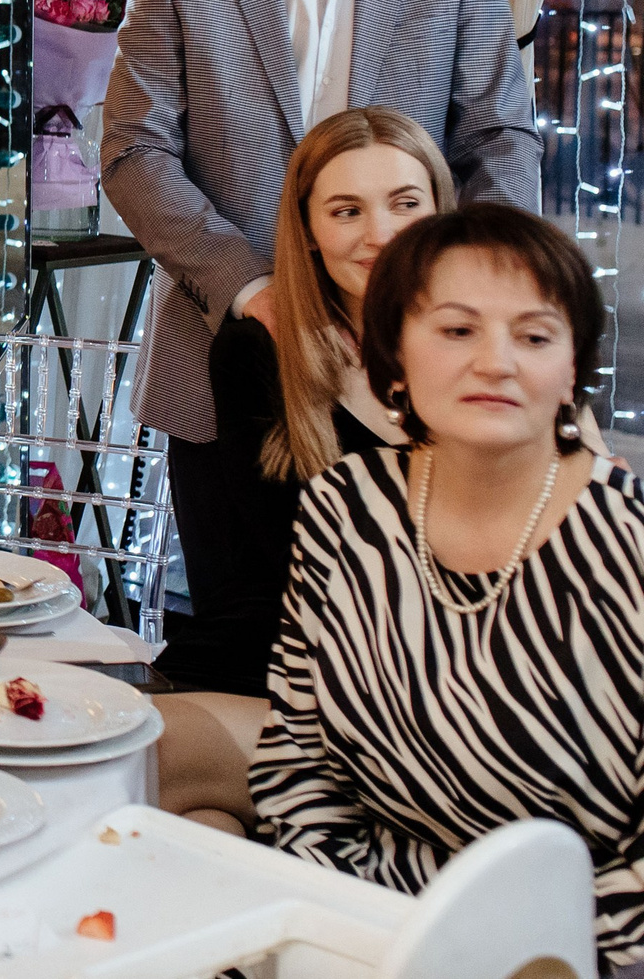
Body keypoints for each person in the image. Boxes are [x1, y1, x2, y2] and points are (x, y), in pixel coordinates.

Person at [101, 0, 540, 680]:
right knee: (242, 649)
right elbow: (131, 153)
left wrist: (458, 298)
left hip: (408, 361)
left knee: (408, 654)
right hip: (232, 355)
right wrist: (253, 287)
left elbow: (500, 139)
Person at [250, 205, 642, 969]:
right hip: (370, 910)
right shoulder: (346, 506)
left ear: (572, 370)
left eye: (535, 336)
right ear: (394, 356)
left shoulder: (624, 544)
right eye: (458, 329)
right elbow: (297, 755)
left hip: (566, 941)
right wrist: (336, 931)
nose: (496, 362)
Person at [155, 106, 451, 831]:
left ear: (442, 212)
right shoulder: (261, 352)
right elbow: (290, 569)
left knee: (175, 797)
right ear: (310, 231)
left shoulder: (493, 354)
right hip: (290, 664)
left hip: (438, 687)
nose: (380, 233)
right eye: (347, 210)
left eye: (405, 204)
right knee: (152, 792)